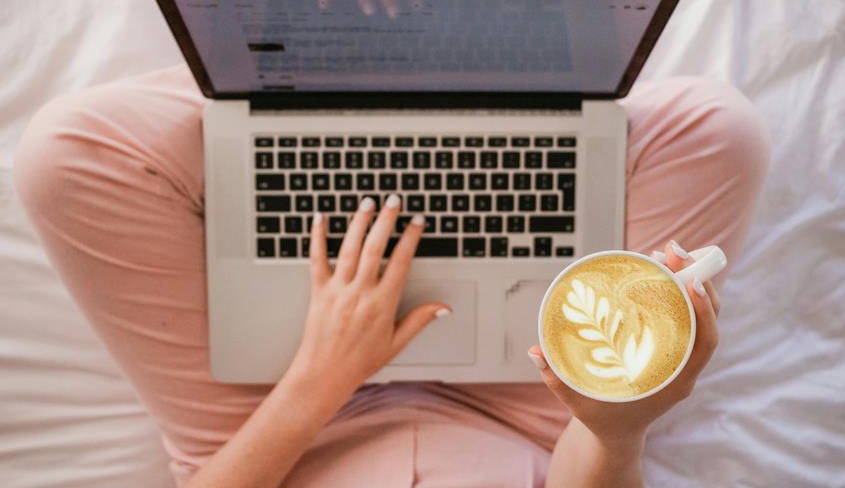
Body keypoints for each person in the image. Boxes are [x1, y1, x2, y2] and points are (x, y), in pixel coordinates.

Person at [12, 64, 771, 487]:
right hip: (537, 422)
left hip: (278, 430)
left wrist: (320, 376)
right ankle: (480, 82)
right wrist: (615, 426)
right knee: (715, 125)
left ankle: (308, 70)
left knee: (67, 152)